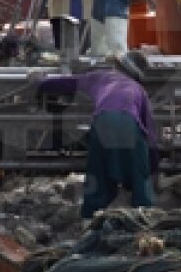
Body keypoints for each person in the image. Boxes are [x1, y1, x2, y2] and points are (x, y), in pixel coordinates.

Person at [30, 50, 157, 218]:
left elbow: (67, 83)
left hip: (102, 121)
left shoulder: (100, 77)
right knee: (139, 175)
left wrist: (40, 81)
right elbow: (151, 135)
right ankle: (144, 218)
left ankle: (89, 218)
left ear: (117, 66)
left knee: (98, 173)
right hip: (129, 122)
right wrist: (153, 167)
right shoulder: (139, 90)